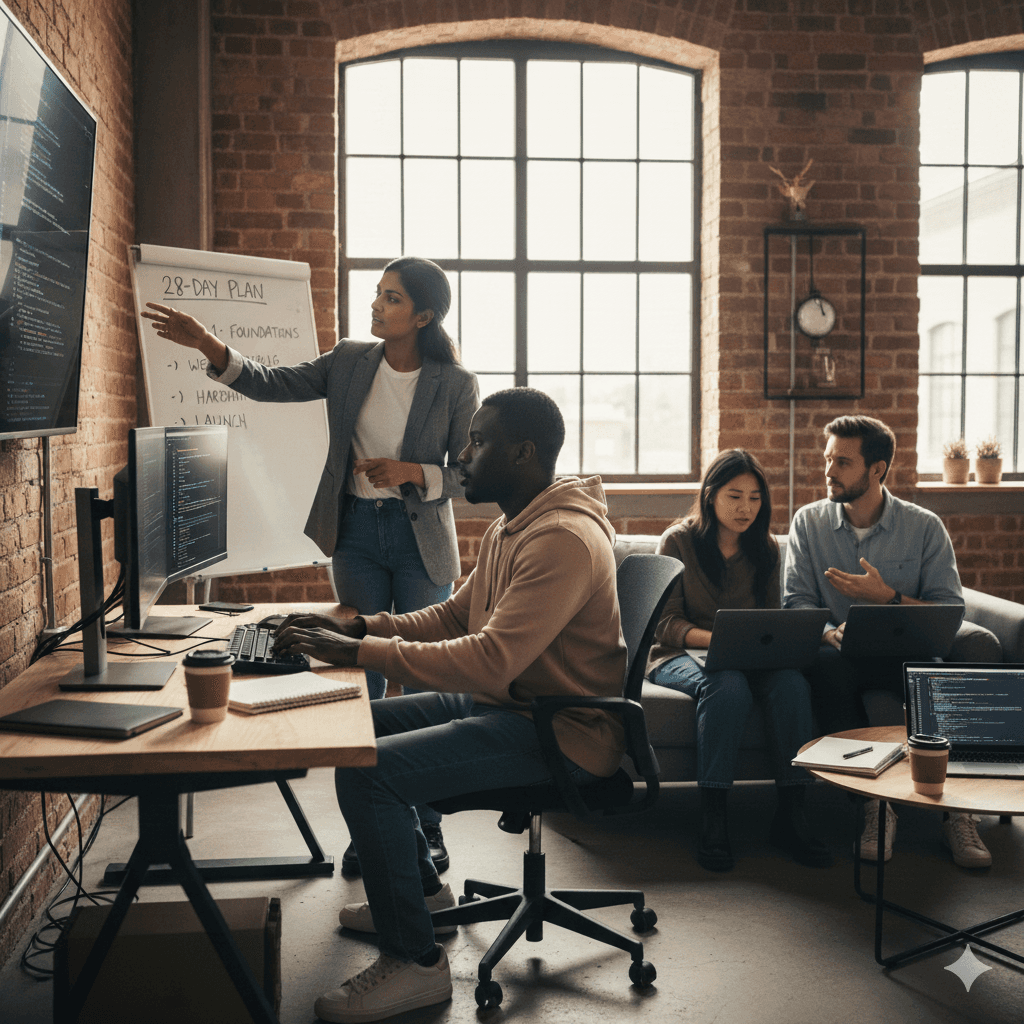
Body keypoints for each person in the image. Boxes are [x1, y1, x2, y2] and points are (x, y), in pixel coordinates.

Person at [271, 388, 627, 1023]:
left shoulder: (563, 540)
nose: (461, 456)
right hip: (513, 707)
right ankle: (427, 899)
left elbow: (489, 657)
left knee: (367, 767)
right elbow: (457, 615)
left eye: (477, 442)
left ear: (524, 452)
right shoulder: (511, 524)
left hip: (558, 731)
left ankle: (417, 963)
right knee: (349, 725)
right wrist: (365, 630)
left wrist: (364, 655)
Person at [143, 256, 479, 876]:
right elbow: (276, 382)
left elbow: (469, 476)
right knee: (359, 675)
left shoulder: (455, 384)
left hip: (419, 540)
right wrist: (209, 346)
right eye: (377, 293)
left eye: (392, 299)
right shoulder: (352, 359)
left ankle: (428, 829)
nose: (376, 305)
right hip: (353, 531)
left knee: (426, 677)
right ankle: (373, 827)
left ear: (424, 316)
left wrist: (414, 473)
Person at [783, 415, 990, 868]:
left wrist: (888, 598)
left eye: (842, 461)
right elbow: (796, 600)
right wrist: (826, 631)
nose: (829, 471)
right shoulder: (808, 523)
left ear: (877, 470)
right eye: (827, 459)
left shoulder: (924, 526)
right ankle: (875, 807)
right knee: (825, 669)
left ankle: (958, 810)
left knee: (941, 678)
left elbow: (948, 610)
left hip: (911, 650)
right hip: (841, 651)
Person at [647, 449, 830, 873]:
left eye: (754, 498)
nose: (746, 508)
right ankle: (713, 816)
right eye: (734, 496)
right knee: (725, 683)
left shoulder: (764, 548)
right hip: (678, 655)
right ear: (710, 495)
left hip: (748, 656)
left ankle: (791, 815)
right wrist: (719, 641)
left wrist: (767, 645)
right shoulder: (677, 540)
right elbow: (665, 624)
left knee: (791, 684)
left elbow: (769, 622)